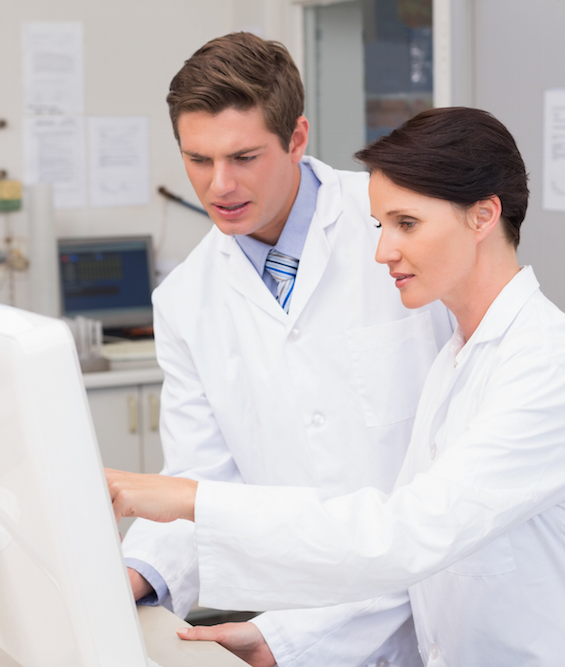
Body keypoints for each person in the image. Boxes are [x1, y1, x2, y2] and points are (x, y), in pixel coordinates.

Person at [109, 107, 565, 666]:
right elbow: (412, 548)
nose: (383, 250)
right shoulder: (457, 360)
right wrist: (284, 641)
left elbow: (403, 533)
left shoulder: (547, 365)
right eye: (380, 226)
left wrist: (192, 499)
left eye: (405, 224)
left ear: (483, 216)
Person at [121, 33, 453, 667]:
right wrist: (132, 575)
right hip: (302, 621)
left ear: (297, 138)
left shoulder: (401, 229)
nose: (219, 186)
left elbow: (455, 477)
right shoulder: (187, 298)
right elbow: (199, 480)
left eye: (244, 156)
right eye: (197, 159)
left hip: (438, 614)